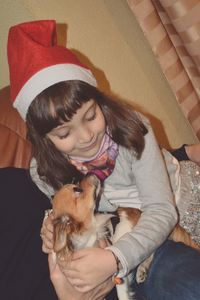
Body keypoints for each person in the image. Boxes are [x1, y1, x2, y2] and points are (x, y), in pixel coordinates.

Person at [7, 20, 200, 300]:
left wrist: (114, 259)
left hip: (184, 203)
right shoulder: (43, 171)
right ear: (43, 138)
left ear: (101, 101)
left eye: (90, 116)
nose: (86, 137)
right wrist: (50, 227)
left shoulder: (135, 130)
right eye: (64, 133)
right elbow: (70, 211)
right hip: (143, 235)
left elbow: (162, 210)